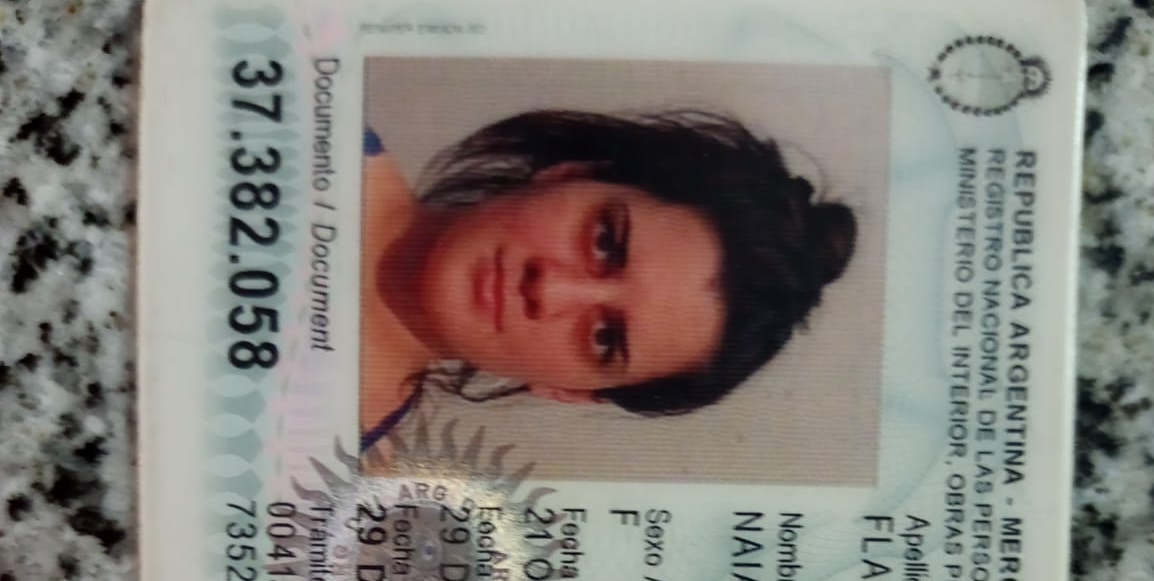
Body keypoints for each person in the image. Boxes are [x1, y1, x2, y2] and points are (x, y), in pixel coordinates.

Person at [359, 109, 857, 451]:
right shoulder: (318, 112)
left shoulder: (336, 491)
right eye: (604, 242)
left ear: (571, 391)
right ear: (570, 175)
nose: (549, 289)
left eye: (604, 338)